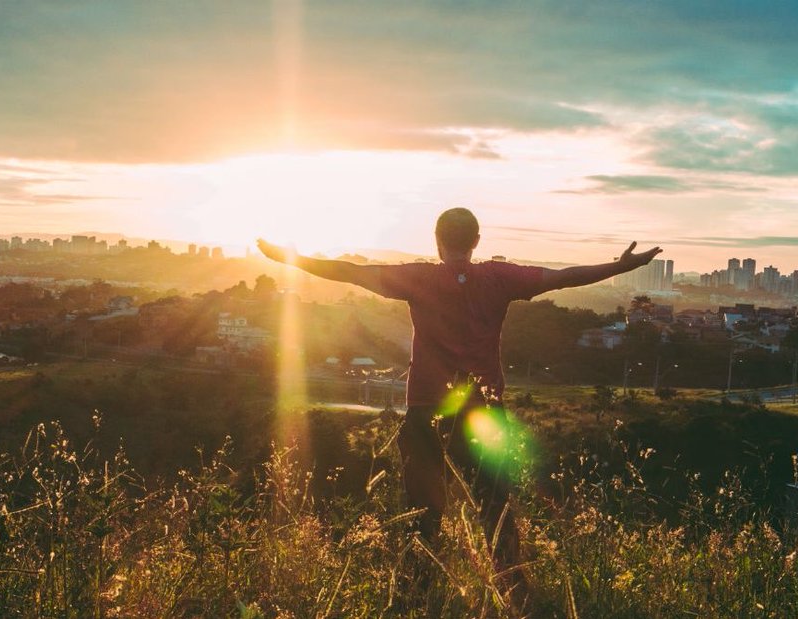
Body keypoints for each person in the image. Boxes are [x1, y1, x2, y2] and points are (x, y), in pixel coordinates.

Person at [258, 207, 662, 582]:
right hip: (483, 409)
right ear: (477, 240)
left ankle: (421, 588)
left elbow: (348, 271)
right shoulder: (499, 278)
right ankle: (511, 587)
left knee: (424, 511)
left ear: (437, 240)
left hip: (426, 410)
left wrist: (289, 258)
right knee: (495, 506)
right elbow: (564, 275)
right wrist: (620, 266)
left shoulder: (419, 278)